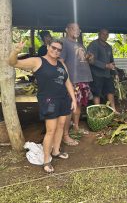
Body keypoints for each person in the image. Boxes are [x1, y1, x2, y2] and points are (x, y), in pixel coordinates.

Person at [8, 39, 77, 173]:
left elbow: (67, 82)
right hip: (49, 100)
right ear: (48, 46)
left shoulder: (61, 63)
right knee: (50, 130)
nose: (56, 51)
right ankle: (46, 160)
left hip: (63, 99)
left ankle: (56, 151)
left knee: (61, 125)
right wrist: (16, 51)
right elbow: (12, 62)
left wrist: (73, 99)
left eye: (59, 50)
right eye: (53, 47)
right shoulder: (37, 61)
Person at [60, 22, 93, 146]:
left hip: (82, 79)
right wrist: (66, 78)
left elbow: (82, 60)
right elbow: (61, 61)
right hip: (72, 80)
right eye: (73, 28)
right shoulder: (64, 43)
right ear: (67, 29)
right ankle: (65, 135)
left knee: (78, 105)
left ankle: (76, 128)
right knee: (69, 107)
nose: (77, 31)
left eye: (78, 29)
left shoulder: (79, 44)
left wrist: (88, 57)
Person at [87, 28, 118, 111]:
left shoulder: (108, 47)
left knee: (110, 91)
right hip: (96, 74)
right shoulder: (93, 45)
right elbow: (90, 60)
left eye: (107, 34)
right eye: (103, 34)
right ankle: (97, 111)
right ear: (99, 34)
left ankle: (113, 109)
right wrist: (105, 65)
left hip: (107, 74)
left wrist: (115, 72)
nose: (105, 36)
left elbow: (112, 61)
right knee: (96, 93)